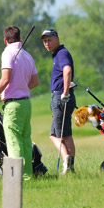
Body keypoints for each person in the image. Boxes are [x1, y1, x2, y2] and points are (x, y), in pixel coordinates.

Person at [0, 26, 39, 179]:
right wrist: (20, 87)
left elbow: (5, 78)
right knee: (25, 140)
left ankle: (15, 178)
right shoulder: (27, 55)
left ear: (5, 40)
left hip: (13, 104)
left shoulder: (7, 53)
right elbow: (35, 81)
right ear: (20, 38)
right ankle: (27, 175)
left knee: (13, 141)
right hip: (26, 103)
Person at [41, 28, 77, 173]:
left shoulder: (62, 53)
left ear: (57, 39)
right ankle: (70, 165)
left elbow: (67, 70)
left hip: (61, 96)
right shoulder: (58, 54)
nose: (47, 44)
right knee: (59, 134)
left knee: (60, 135)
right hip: (62, 96)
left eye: (49, 40)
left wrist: (65, 92)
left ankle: (66, 163)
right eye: (45, 41)